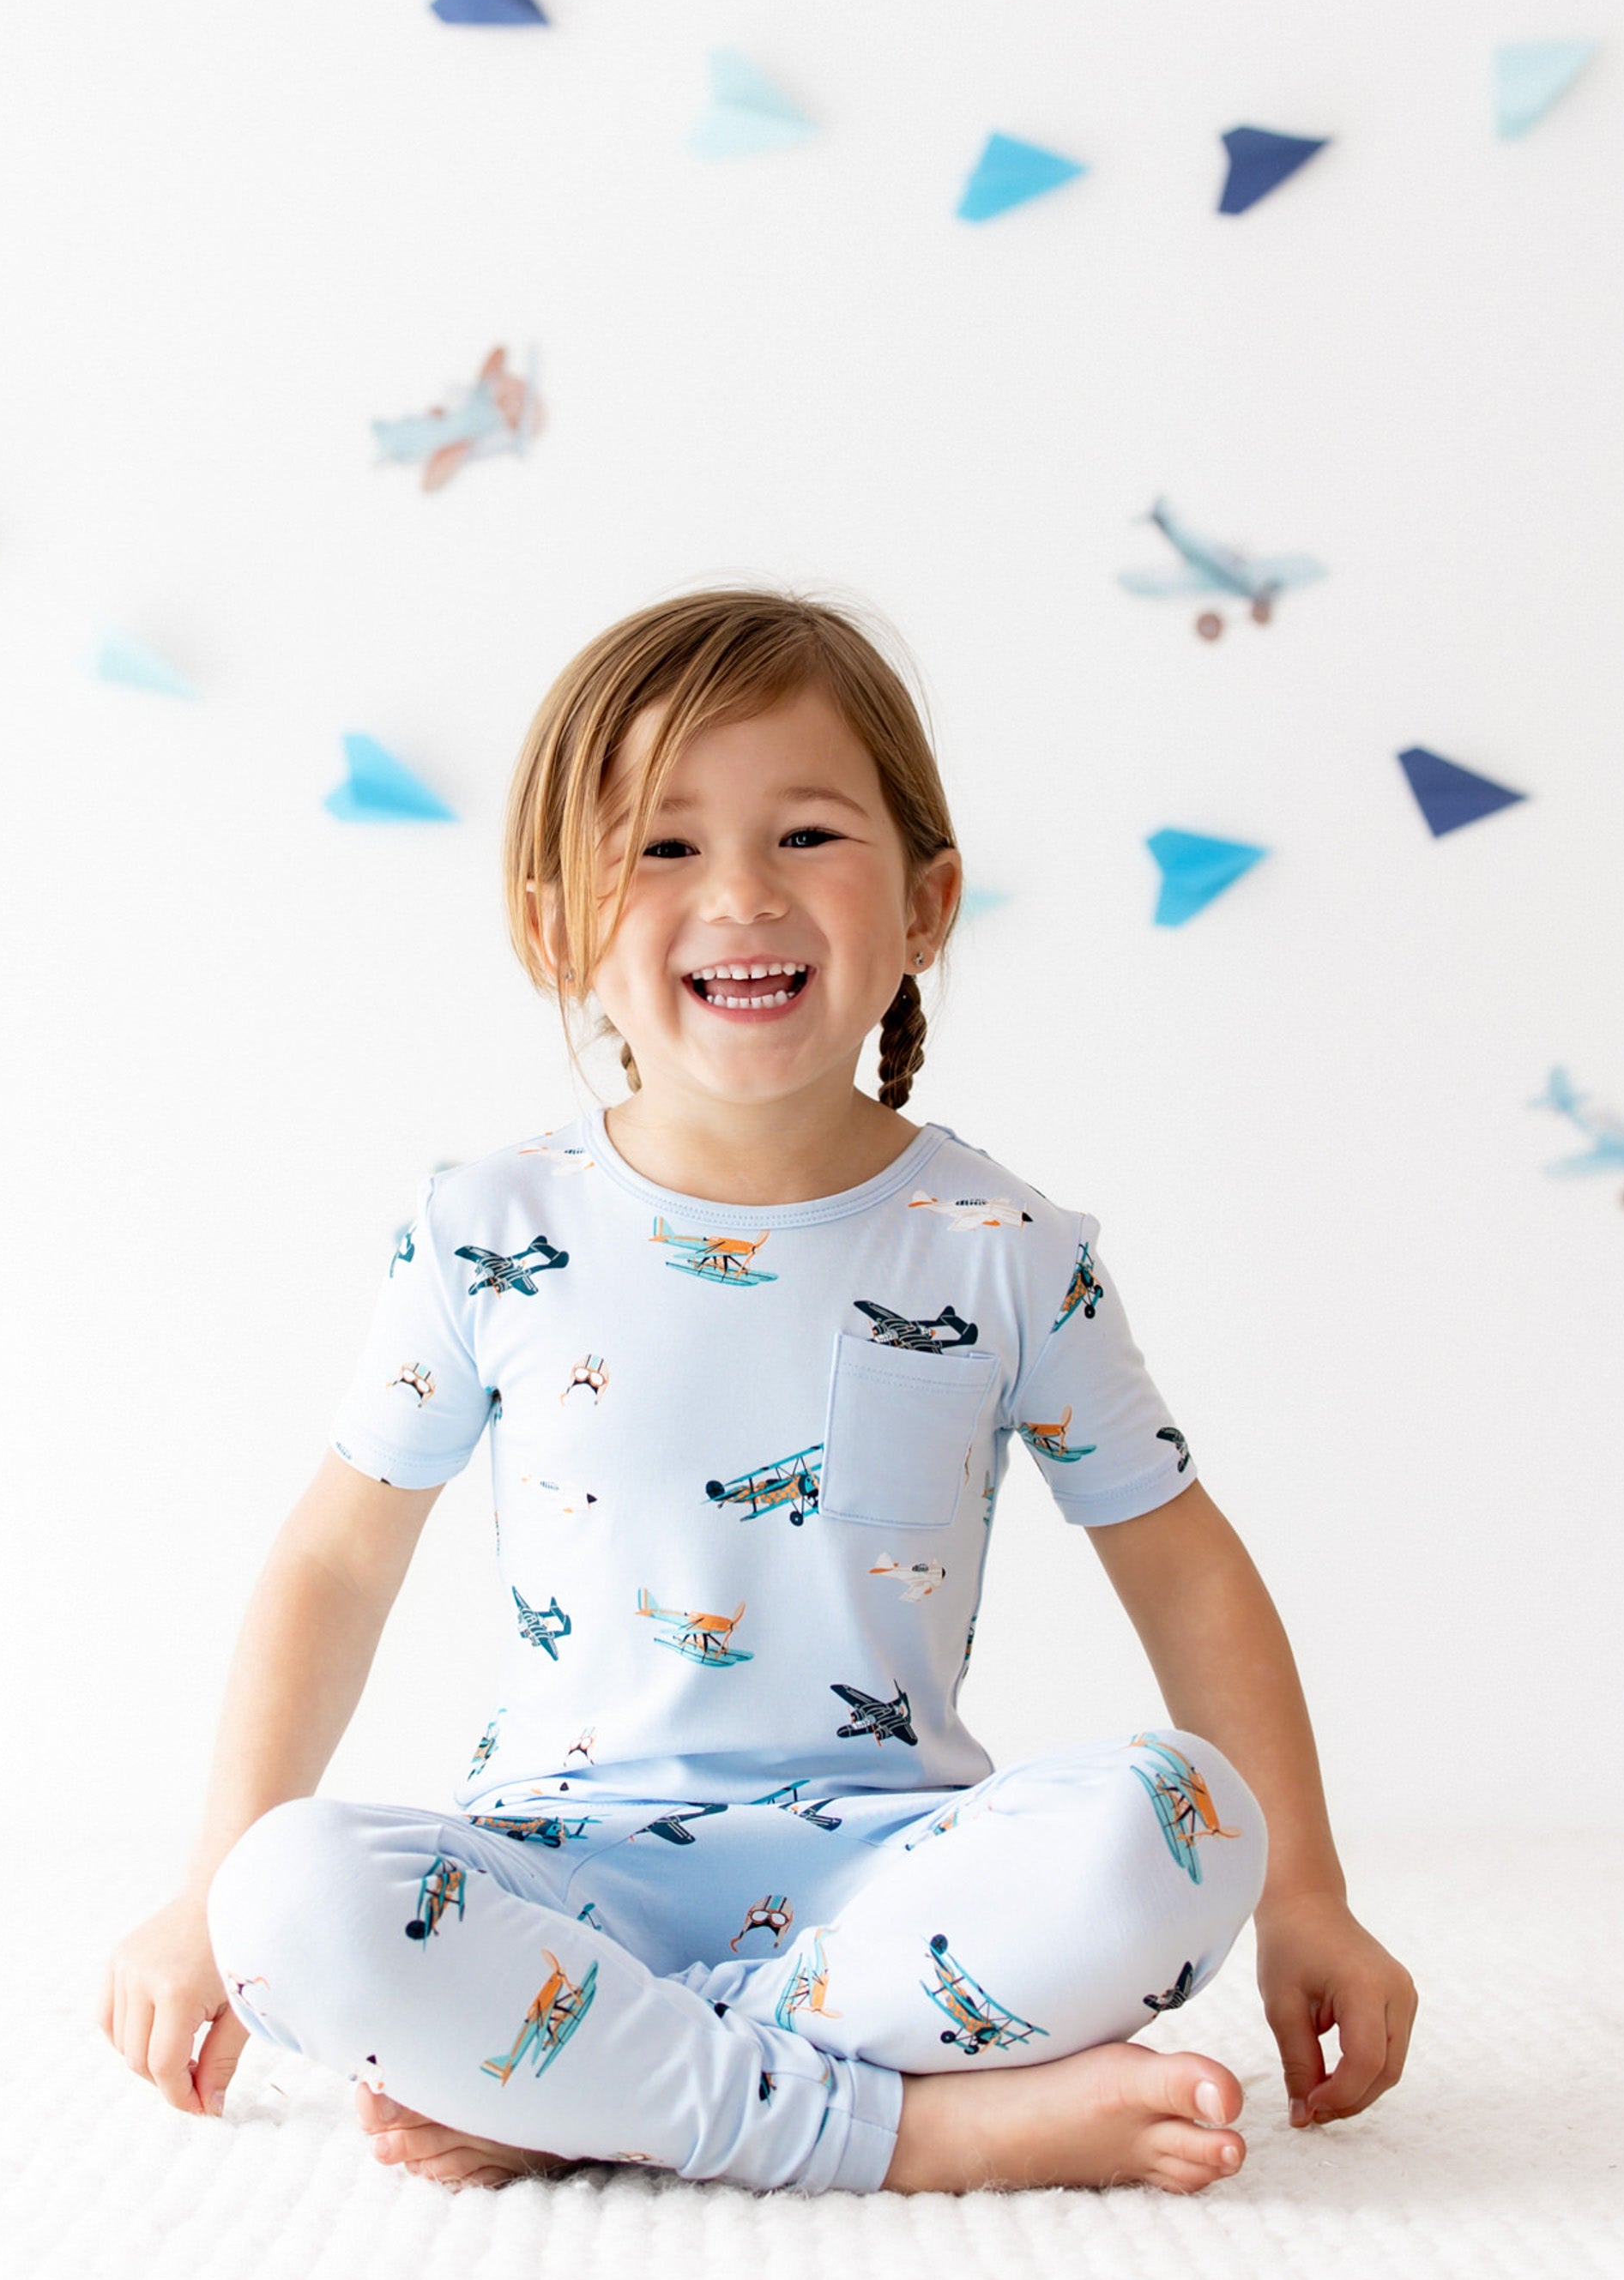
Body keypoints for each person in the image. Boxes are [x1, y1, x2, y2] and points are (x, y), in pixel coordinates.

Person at [100, 589, 1416, 2195]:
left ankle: (606, 2085)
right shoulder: (484, 1234)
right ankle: (913, 2130)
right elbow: (333, 1562)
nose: (739, 894)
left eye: (806, 835)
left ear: (928, 903)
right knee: (280, 1896)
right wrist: (196, 1888)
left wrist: (1310, 1899)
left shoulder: (1006, 1251)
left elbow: (1186, 1566)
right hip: (558, 1881)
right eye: (662, 848)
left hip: (892, 1889)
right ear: (552, 924)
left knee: (1192, 1821)